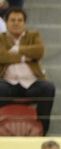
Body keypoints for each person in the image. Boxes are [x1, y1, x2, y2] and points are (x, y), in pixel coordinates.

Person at [0, 7, 56, 135]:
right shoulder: (0, 38)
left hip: (31, 85)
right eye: (12, 20)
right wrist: (26, 57)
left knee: (48, 87)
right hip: (8, 85)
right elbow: (1, 56)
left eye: (20, 20)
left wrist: (17, 50)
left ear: (24, 23)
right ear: (6, 22)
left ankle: (43, 131)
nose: (16, 23)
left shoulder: (33, 36)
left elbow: (39, 51)